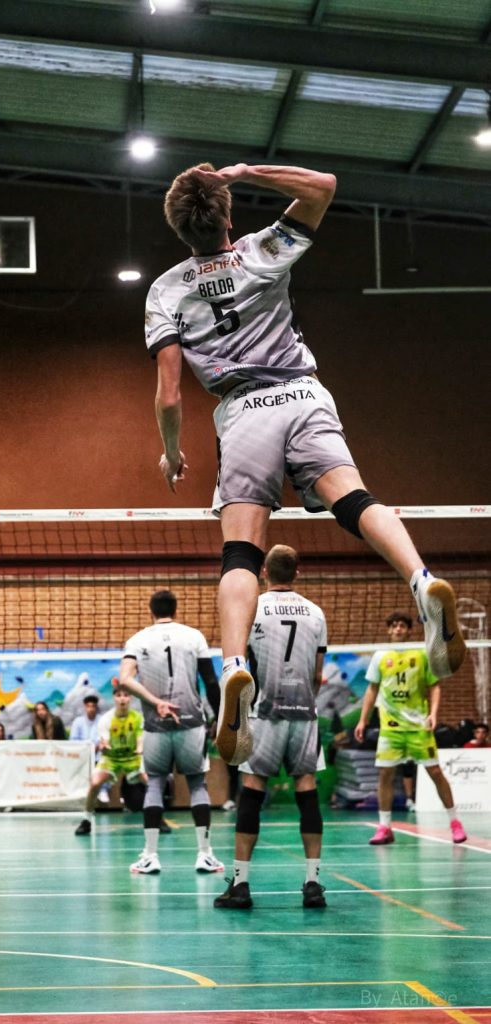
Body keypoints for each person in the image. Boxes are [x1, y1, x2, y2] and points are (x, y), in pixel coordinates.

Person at [145, 160, 467, 767]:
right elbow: (324, 186)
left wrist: (172, 450)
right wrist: (244, 170)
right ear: (227, 217)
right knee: (356, 499)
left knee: (241, 551)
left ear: (179, 229)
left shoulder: (166, 290)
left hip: (244, 410)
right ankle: (422, 580)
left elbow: (167, 396)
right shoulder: (261, 250)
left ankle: (235, 666)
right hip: (303, 393)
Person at [215, 545, 328, 911]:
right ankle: (313, 883)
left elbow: (238, 666)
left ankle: (241, 884)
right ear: (297, 572)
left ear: (263, 572)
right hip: (304, 713)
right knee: (307, 792)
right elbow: (317, 675)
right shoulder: (316, 613)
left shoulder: (251, 609)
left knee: (252, 793)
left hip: (264, 713)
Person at [120, 589, 224, 875]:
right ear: (175, 610)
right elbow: (211, 682)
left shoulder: (137, 640)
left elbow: (125, 679)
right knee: (197, 785)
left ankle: (150, 856)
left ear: (150, 611)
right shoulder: (194, 637)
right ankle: (205, 855)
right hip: (191, 724)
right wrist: (220, 718)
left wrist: (156, 702)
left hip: (156, 726)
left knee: (154, 783)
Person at [355, 611, 467, 845]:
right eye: (394, 625)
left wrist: (434, 714)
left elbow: (435, 686)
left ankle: (455, 822)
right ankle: (385, 827)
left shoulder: (422, 653)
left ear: (408, 630)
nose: (398, 629)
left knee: (435, 772)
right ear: (389, 630)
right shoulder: (380, 656)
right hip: (391, 729)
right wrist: (363, 720)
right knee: (385, 775)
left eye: (402, 626)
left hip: (418, 727)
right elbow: (372, 689)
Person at [74, 686, 146, 835]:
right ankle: (86, 820)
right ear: (114, 698)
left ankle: (158, 818)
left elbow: (140, 738)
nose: (122, 698)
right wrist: (104, 746)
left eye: (125, 695)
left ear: (130, 698)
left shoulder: (138, 718)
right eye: (118, 695)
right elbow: (104, 740)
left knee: (152, 782)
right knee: (95, 783)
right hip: (111, 758)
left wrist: (140, 748)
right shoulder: (106, 719)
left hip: (133, 757)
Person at [69, 692, 111, 805]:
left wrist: (97, 746)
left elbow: (105, 737)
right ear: (85, 707)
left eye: (93, 706)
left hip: (98, 755)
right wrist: (88, 747)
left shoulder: (102, 720)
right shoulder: (78, 722)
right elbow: (73, 741)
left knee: (105, 758)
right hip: (82, 755)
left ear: (96, 707)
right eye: (88, 706)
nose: (91, 709)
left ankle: (103, 790)